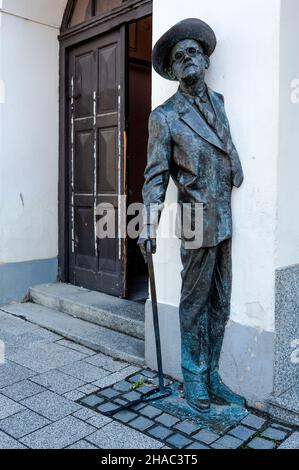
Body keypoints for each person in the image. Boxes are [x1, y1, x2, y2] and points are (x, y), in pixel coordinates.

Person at [138, 18, 245, 413]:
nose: (187, 59)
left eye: (192, 52)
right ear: (173, 68)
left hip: (223, 215)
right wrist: (147, 224)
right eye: (179, 56)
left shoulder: (219, 103)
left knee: (220, 299)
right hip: (194, 219)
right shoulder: (164, 117)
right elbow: (155, 178)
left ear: (205, 59)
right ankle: (194, 376)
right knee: (194, 301)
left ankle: (214, 374)